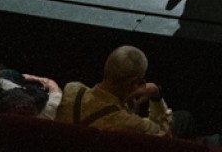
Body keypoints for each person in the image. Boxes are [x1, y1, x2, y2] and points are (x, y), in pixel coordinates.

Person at [58, 45, 190, 138]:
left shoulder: (72, 90)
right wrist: (156, 96)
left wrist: (125, 105)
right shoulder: (130, 124)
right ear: (133, 82)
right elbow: (164, 135)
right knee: (184, 117)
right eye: (140, 81)